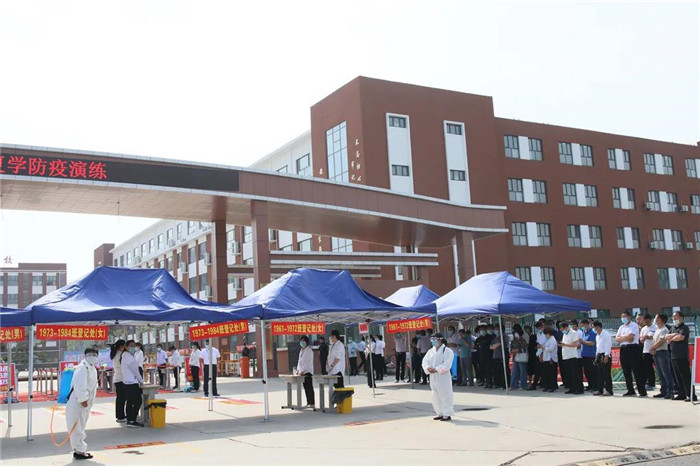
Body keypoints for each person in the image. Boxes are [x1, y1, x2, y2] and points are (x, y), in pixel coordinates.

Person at [65, 347, 99, 460]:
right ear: (85, 356)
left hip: (85, 403)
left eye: (94, 354)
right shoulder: (82, 368)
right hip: (78, 402)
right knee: (77, 428)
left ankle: (79, 450)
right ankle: (79, 450)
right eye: (90, 354)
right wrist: (83, 400)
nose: (92, 356)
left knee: (80, 426)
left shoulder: (92, 368)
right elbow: (80, 386)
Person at [421, 333, 454, 421]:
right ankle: (440, 413)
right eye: (432, 340)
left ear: (440, 339)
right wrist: (428, 368)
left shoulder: (447, 351)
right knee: (435, 395)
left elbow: (447, 364)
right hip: (433, 377)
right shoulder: (430, 351)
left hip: (443, 377)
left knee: (445, 395)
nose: (433, 342)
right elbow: (425, 361)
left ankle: (447, 414)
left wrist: (437, 369)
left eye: (435, 339)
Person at [666, 311, 697, 401]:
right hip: (673, 355)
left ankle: (691, 395)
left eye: (676, 317)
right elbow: (666, 337)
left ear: (681, 318)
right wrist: (674, 335)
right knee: (677, 376)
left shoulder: (684, 327)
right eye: (673, 317)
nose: (674, 318)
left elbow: (681, 337)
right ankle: (681, 394)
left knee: (685, 376)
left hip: (682, 356)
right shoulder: (673, 328)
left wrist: (672, 338)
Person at [615, 311, 647, 397]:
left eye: (624, 316)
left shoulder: (634, 325)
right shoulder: (621, 327)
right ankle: (630, 390)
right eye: (622, 317)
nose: (623, 318)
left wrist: (623, 338)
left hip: (633, 349)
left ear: (629, 317)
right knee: (626, 370)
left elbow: (631, 337)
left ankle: (642, 391)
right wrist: (625, 338)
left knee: (636, 370)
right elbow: (617, 339)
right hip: (623, 349)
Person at [649, 314, 674, 399]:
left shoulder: (664, 330)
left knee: (666, 372)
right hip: (656, 352)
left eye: (657, 318)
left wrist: (652, 348)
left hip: (662, 353)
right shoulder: (657, 330)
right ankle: (663, 391)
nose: (655, 319)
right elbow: (654, 341)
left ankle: (670, 391)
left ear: (662, 319)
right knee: (660, 373)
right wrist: (652, 349)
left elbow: (661, 341)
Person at [121, 340, 144, 427]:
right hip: (131, 382)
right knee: (137, 401)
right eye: (131, 346)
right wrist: (141, 380)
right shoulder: (128, 357)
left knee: (130, 402)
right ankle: (132, 419)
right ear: (126, 347)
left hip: (128, 381)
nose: (133, 347)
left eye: (134, 346)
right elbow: (135, 371)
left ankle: (130, 419)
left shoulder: (126, 356)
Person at [559, 322, 583, 394]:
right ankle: (572, 388)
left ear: (566, 327)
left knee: (575, 374)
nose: (562, 331)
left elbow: (575, 344)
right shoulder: (565, 334)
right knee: (568, 374)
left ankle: (579, 389)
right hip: (566, 356)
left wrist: (565, 344)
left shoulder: (573, 333)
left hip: (572, 356)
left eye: (562, 329)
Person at [593, 321, 613, 396]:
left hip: (605, 354)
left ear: (598, 327)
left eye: (594, 327)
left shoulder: (605, 334)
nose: (594, 329)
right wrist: (596, 357)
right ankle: (600, 390)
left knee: (606, 374)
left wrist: (606, 356)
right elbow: (598, 347)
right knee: (600, 374)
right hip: (599, 354)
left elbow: (608, 345)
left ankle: (609, 390)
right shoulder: (597, 335)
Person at [295, 336, 314, 408]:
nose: (302, 342)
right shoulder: (301, 350)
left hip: (308, 371)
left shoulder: (309, 351)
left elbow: (307, 362)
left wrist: (302, 371)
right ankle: (308, 402)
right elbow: (299, 361)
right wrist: (298, 370)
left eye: (303, 341)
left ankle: (312, 403)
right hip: (302, 373)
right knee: (305, 388)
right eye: (301, 341)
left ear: (306, 342)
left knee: (309, 387)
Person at [578, 319, 598, 391]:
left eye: (582, 326)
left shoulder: (592, 332)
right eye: (581, 326)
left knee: (592, 372)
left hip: (591, 355)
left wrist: (582, 341)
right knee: (587, 372)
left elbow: (592, 343)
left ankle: (595, 386)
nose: (582, 328)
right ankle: (590, 385)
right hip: (584, 355)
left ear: (586, 324)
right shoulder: (584, 333)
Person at [110, 339, 126, 423]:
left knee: (120, 398)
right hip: (121, 378)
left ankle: (120, 415)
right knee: (121, 398)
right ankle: (120, 416)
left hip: (118, 378)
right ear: (121, 346)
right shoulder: (120, 355)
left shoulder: (116, 354)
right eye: (124, 346)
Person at [639, 314, 657, 391]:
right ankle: (650, 383)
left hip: (655, 350)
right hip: (646, 350)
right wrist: (644, 338)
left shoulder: (655, 327)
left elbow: (658, 338)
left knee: (659, 367)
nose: (647, 323)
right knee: (647, 368)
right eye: (645, 322)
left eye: (648, 322)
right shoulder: (643, 329)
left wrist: (650, 337)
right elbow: (641, 340)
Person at [527, 322, 546, 390]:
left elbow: (544, 345)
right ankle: (535, 384)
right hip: (538, 353)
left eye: (540, 327)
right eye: (538, 328)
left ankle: (541, 384)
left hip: (543, 354)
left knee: (542, 370)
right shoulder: (538, 334)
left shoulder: (545, 334)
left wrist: (541, 354)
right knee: (537, 370)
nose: (539, 329)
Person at [541, 327, 559, 392]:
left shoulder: (552, 340)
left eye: (546, 334)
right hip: (546, 359)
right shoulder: (548, 340)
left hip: (551, 359)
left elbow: (550, 349)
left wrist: (544, 347)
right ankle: (547, 386)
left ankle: (552, 387)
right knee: (546, 374)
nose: (545, 335)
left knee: (552, 374)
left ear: (548, 333)